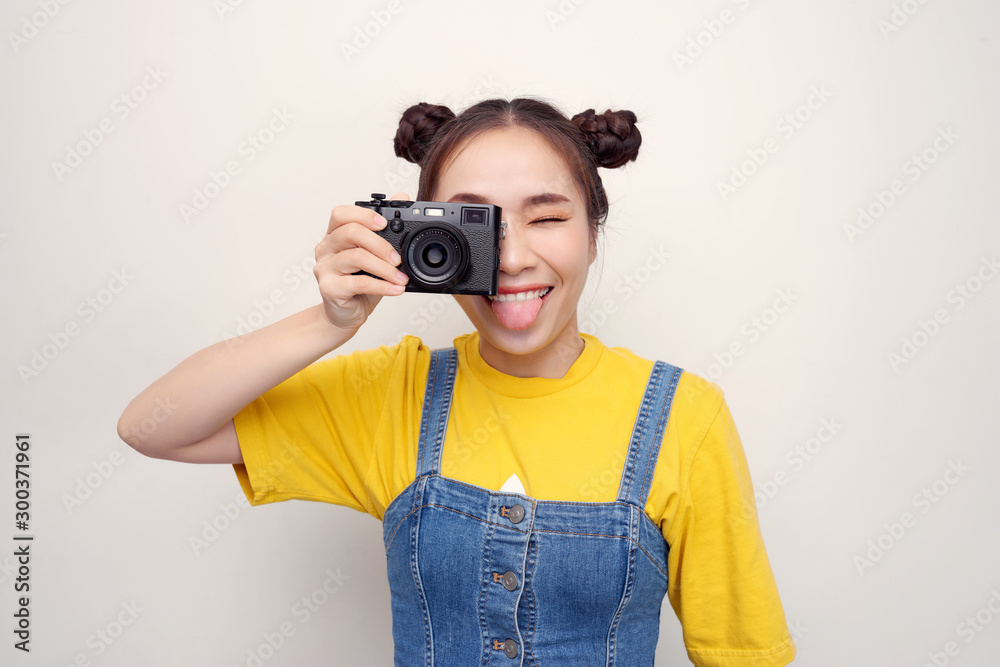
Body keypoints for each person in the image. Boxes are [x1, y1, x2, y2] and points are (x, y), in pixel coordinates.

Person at [119, 97, 796, 666]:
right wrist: (329, 323)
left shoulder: (683, 415)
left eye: (548, 215)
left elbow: (744, 652)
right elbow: (151, 426)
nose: (511, 257)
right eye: (476, 225)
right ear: (424, 241)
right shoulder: (396, 393)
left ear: (593, 231)